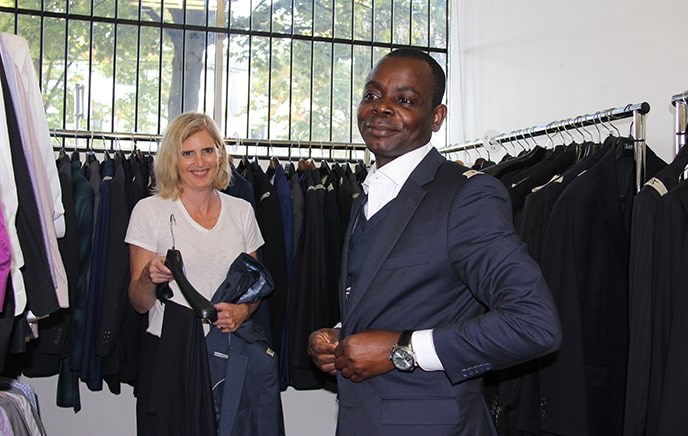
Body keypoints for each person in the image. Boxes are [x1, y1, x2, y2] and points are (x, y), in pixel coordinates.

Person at [307, 48, 562, 435]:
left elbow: (534, 324)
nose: (382, 108)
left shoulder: (467, 197)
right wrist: (341, 335)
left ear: (437, 116)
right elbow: (411, 293)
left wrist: (402, 351)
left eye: (405, 100)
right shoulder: (371, 193)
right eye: (372, 95)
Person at [125, 112, 275, 435]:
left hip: (229, 352)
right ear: (173, 159)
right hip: (170, 353)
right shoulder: (149, 212)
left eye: (208, 150)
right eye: (187, 153)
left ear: (220, 154)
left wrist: (242, 311)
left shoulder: (242, 211)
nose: (200, 162)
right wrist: (149, 277)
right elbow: (138, 303)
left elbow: (254, 289)